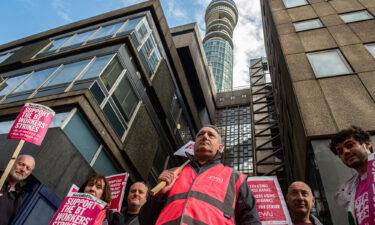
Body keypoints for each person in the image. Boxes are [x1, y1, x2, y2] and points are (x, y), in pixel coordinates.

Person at [139, 125, 261, 225]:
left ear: (220, 147)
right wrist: (158, 196)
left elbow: (250, 220)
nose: (205, 137)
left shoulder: (234, 177)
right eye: (200, 135)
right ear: (194, 144)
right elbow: (145, 220)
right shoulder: (170, 174)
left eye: (211, 135)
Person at [329, 126, 373, 225]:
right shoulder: (350, 192)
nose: (345, 152)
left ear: (367, 144)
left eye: (349, 145)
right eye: (340, 151)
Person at [0, 154, 35, 225]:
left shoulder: (20, 196)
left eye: (28, 168)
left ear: (29, 173)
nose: (23, 169)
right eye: (21, 164)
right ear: (12, 163)